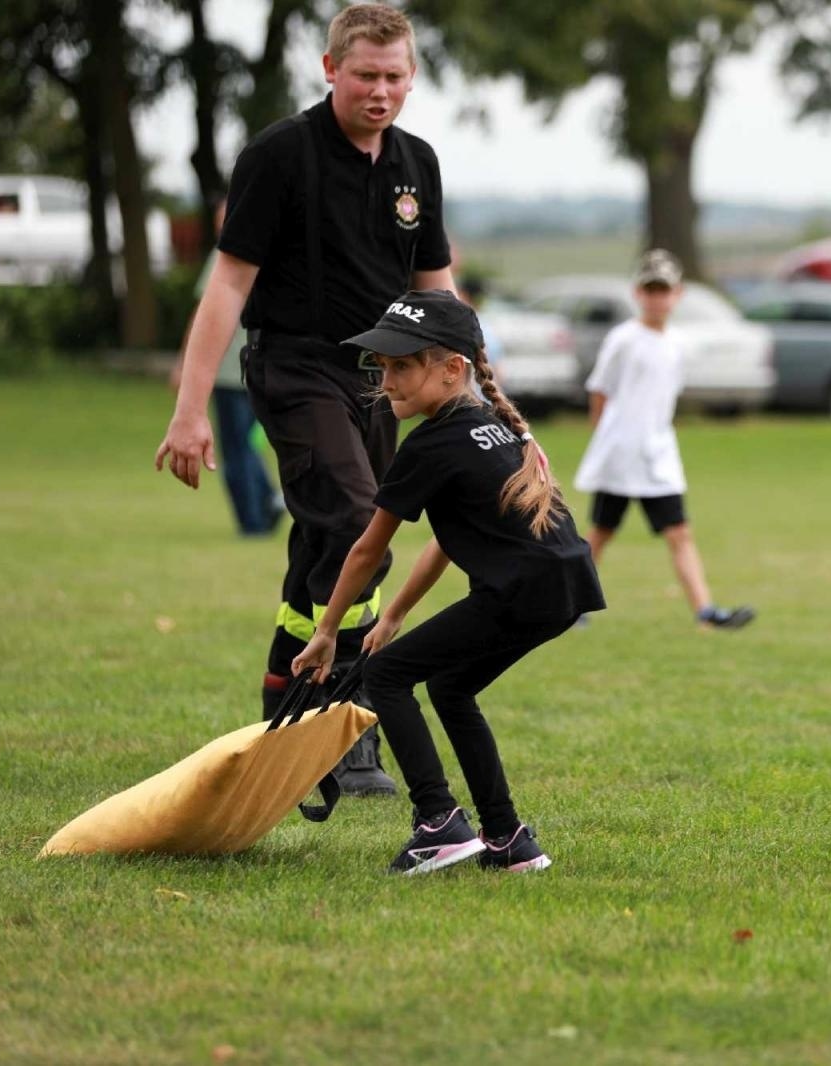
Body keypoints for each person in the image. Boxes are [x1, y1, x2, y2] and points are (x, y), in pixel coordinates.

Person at [154, 4, 454, 795]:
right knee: (361, 524)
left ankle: (285, 687)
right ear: (330, 70)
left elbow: (438, 292)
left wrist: (479, 393)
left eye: (395, 77)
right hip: (294, 370)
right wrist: (189, 410)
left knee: (329, 544)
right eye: (365, 75)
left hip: (383, 384)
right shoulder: (278, 156)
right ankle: (344, 725)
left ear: (412, 78)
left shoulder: (417, 165)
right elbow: (226, 285)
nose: (381, 91)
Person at [291, 290, 605, 874]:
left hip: (521, 590)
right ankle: (507, 837)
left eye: (403, 366)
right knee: (451, 688)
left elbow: (365, 549)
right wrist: (392, 616)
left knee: (385, 675)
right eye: (382, 366)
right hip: (564, 587)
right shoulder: (492, 427)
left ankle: (437, 821)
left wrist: (329, 631)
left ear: (452, 369)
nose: (387, 381)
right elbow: (445, 543)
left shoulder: (432, 443)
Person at [572, 250, 755, 631]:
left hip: (657, 454)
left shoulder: (676, 344)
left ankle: (705, 610)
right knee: (601, 532)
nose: (658, 298)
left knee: (679, 531)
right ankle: (570, 604)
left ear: (677, 294)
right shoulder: (623, 339)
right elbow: (600, 391)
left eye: (664, 290)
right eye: (650, 290)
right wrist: (604, 438)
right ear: (639, 293)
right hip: (622, 453)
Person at [169, 198, 284, 536]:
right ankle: (269, 498)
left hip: (228, 371)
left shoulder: (227, 255)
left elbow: (203, 314)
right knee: (248, 443)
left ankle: (252, 520)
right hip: (261, 368)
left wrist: (183, 363)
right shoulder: (272, 254)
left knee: (235, 450)